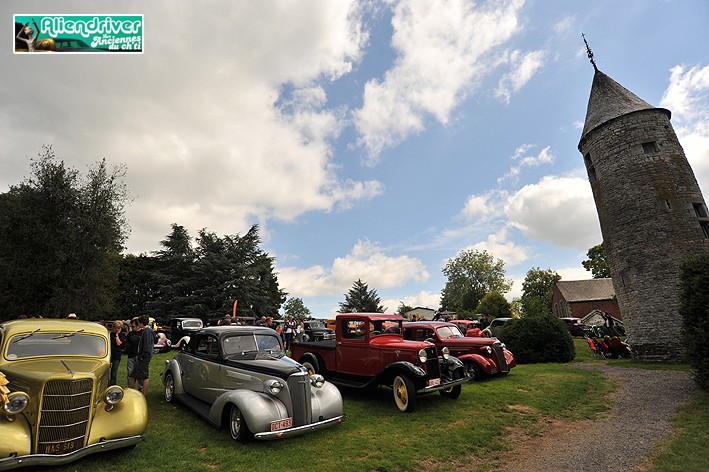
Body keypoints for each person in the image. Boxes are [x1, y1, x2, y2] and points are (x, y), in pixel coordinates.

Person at [129, 315, 154, 396]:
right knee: (133, 375)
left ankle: (144, 395)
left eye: (139, 323)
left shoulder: (147, 332)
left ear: (141, 323)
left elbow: (146, 346)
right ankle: (131, 393)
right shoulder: (146, 331)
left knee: (144, 376)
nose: (138, 324)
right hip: (140, 357)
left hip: (144, 357)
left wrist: (143, 356)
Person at [124, 318, 141, 389]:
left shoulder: (143, 333)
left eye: (133, 326)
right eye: (131, 326)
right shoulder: (130, 334)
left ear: (138, 325)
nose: (131, 328)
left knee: (140, 373)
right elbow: (126, 343)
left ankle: (141, 388)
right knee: (130, 373)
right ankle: (130, 388)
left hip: (139, 356)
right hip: (131, 356)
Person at [109, 320, 126, 386]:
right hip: (110, 355)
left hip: (117, 356)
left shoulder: (122, 335)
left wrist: (116, 335)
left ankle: (113, 384)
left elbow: (119, 343)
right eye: (115, 328)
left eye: (118, 328)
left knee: (114, 371)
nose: (117, 329)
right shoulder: (110, 334)